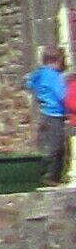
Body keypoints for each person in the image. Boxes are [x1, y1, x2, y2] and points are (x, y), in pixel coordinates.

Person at [34, 45, 71, 188]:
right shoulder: (54, 76)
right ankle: (53, 177)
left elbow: (29, 83)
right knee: (57, 147)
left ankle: (43, 175)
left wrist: (40, 96)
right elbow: (63, 96)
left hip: (44, 114)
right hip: (55, 115)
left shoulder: (39, 74)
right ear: (56, 61)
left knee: (44, 145)